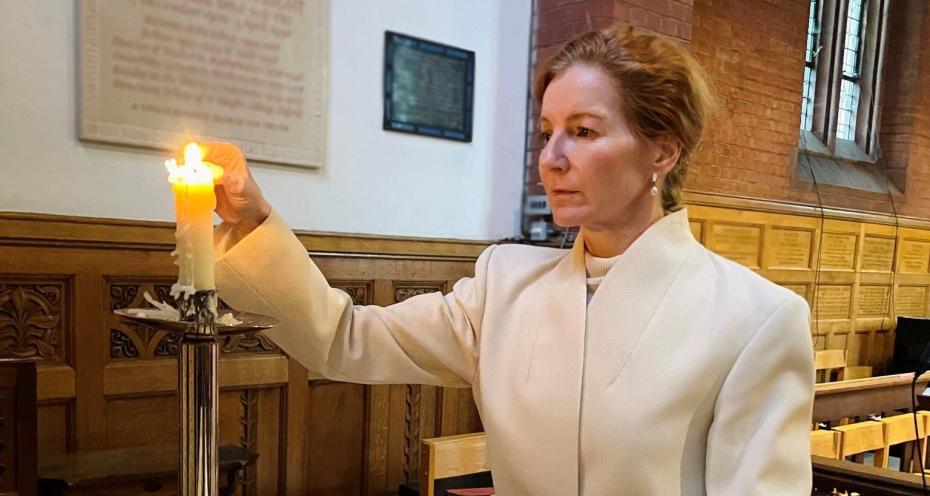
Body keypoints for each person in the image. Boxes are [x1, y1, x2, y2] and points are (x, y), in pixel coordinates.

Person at [204, 23, 814, 496]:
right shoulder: (506, 287)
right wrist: (254, 224)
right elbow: (344, 338)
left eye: (583, 131)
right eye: (545, 131)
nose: (550, 158)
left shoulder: (754, 320)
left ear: (662, 150)